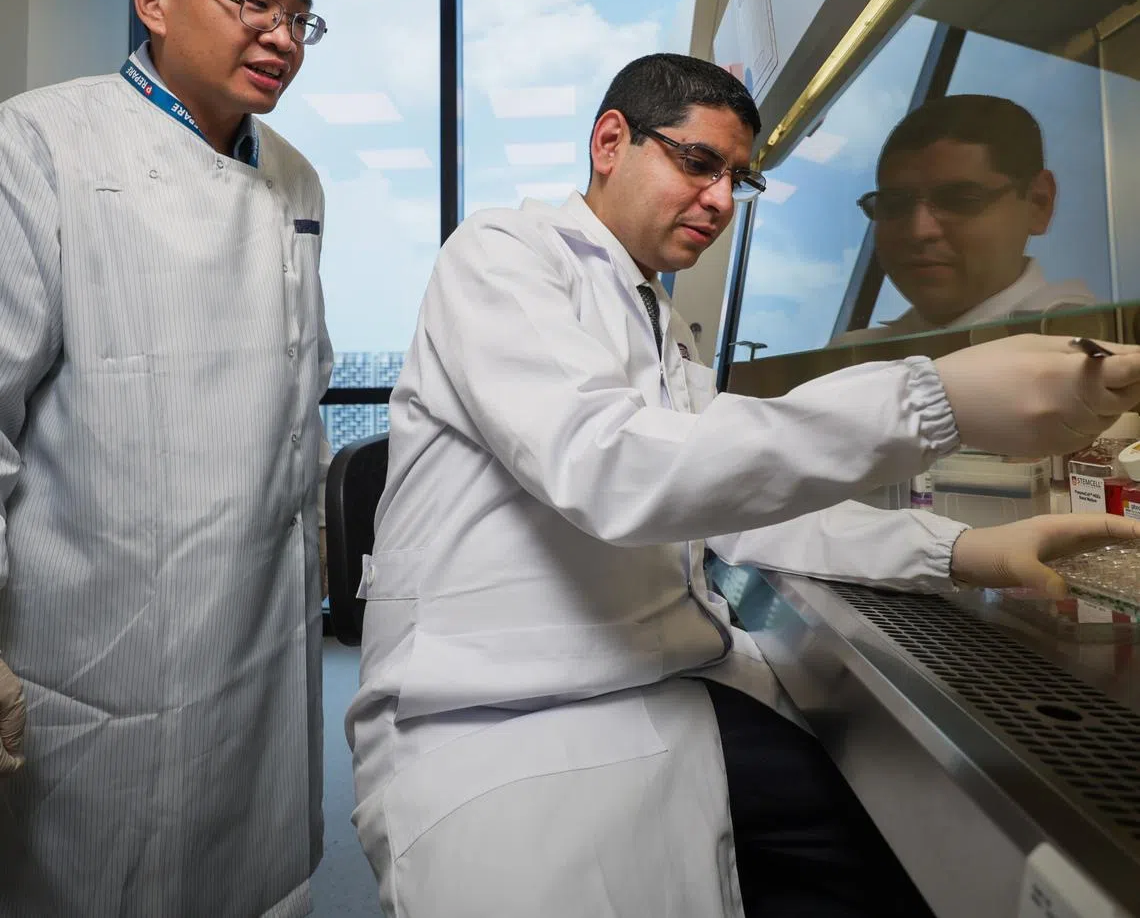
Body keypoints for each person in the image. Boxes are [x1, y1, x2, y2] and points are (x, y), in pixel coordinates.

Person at [346, 54, 1140, 917]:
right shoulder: (504, 257)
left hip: (646, 690)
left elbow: (742, 508)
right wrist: (931, 400)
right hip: (502, 720)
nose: (722, 200)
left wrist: (959, 550)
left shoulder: (659, 320)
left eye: (738, 178)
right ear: (610, 142)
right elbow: (610, 468)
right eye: (698, 163)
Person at [0, 0, 332, 917]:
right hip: (93, 646)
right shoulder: (38, 146)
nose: (281, 37)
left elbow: (301, 396)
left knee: (252, 878)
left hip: (260, 628)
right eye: (254, 3)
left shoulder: (295, 178)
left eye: (300, 17)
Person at [836, 94, 1095, 344]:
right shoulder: (850, 354)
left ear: (1038, 202)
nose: (918, 231)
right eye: (893, 204)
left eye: (961, 200)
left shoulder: (1095, 349)